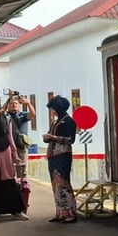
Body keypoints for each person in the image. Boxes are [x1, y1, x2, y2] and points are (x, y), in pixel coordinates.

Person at [43, 95, 78, 223]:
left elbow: (71, 139)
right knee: (55, 184)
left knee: (63, 182)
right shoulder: (56, 121)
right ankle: (60, 212)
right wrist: (48, 137)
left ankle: (70, 212)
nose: (52, 111)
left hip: (63, 155)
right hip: (53, 155)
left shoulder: (68, 121)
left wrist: (54, 138)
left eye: (53, 108)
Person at [5, 91, 36, 179]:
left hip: (21, 146)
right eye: (11, 103)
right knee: (9, 169)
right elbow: (1, 111)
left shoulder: (23, 115)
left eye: (16, 103)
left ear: (19, 105)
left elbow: (32, 114)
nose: (13, 105)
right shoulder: (6, 116)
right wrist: (9, 99)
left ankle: (22, 187)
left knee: (22, 170)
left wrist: (28, 103)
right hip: (9, 146)